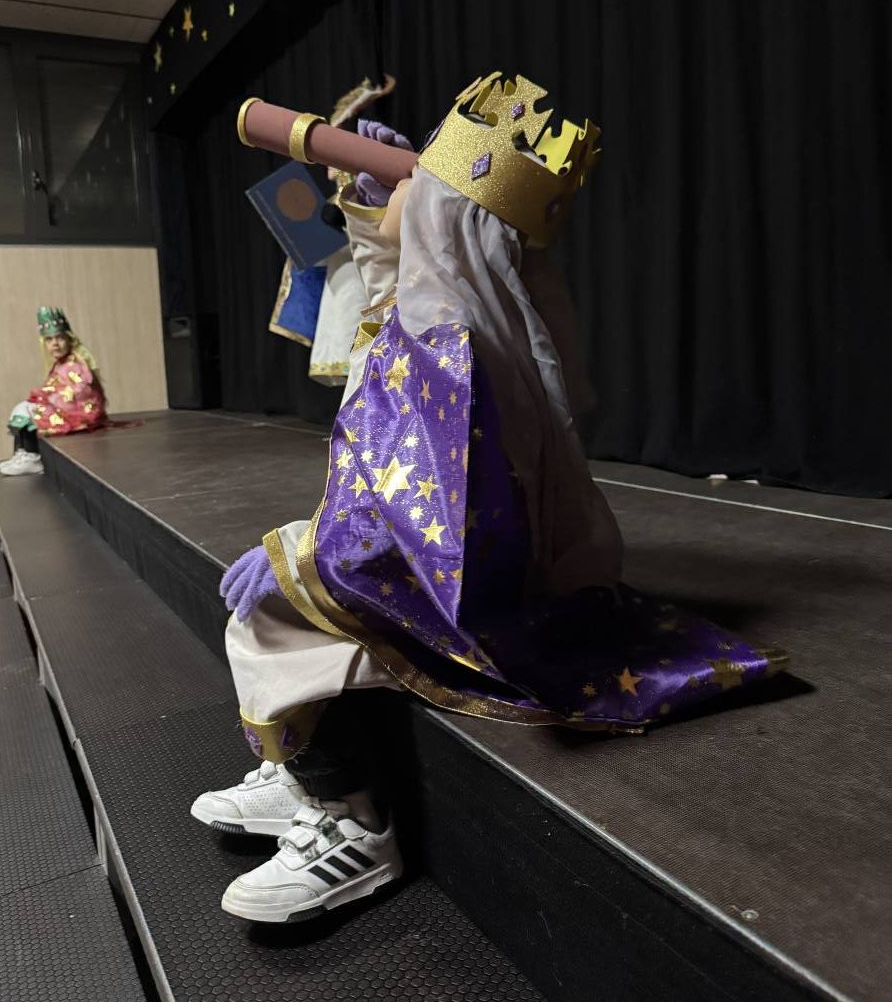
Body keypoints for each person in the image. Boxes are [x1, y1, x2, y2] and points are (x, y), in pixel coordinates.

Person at [192, 73, 786, 923]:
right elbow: (388, 280)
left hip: (474, 591)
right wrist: (372, 196)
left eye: (418, 178)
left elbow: (421, 525)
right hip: (465, 569)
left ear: (446, 216)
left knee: (278, 616)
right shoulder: (446, 309)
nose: (403, 179)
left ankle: (350, 820)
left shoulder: (451, 353)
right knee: (294, 588)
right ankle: (296, 771)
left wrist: (302, 556)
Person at [0, 307, 107, 477]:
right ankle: (22, 452)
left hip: (76, 413)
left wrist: (54, 399)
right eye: (49, 339)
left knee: (28, 411)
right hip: (63, 406)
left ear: (69, 339)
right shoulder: (60, 364)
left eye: (60, 338)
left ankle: (31, 456)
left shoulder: (75, 365)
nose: (55, 343)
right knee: (23, 407)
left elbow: (83, 390)